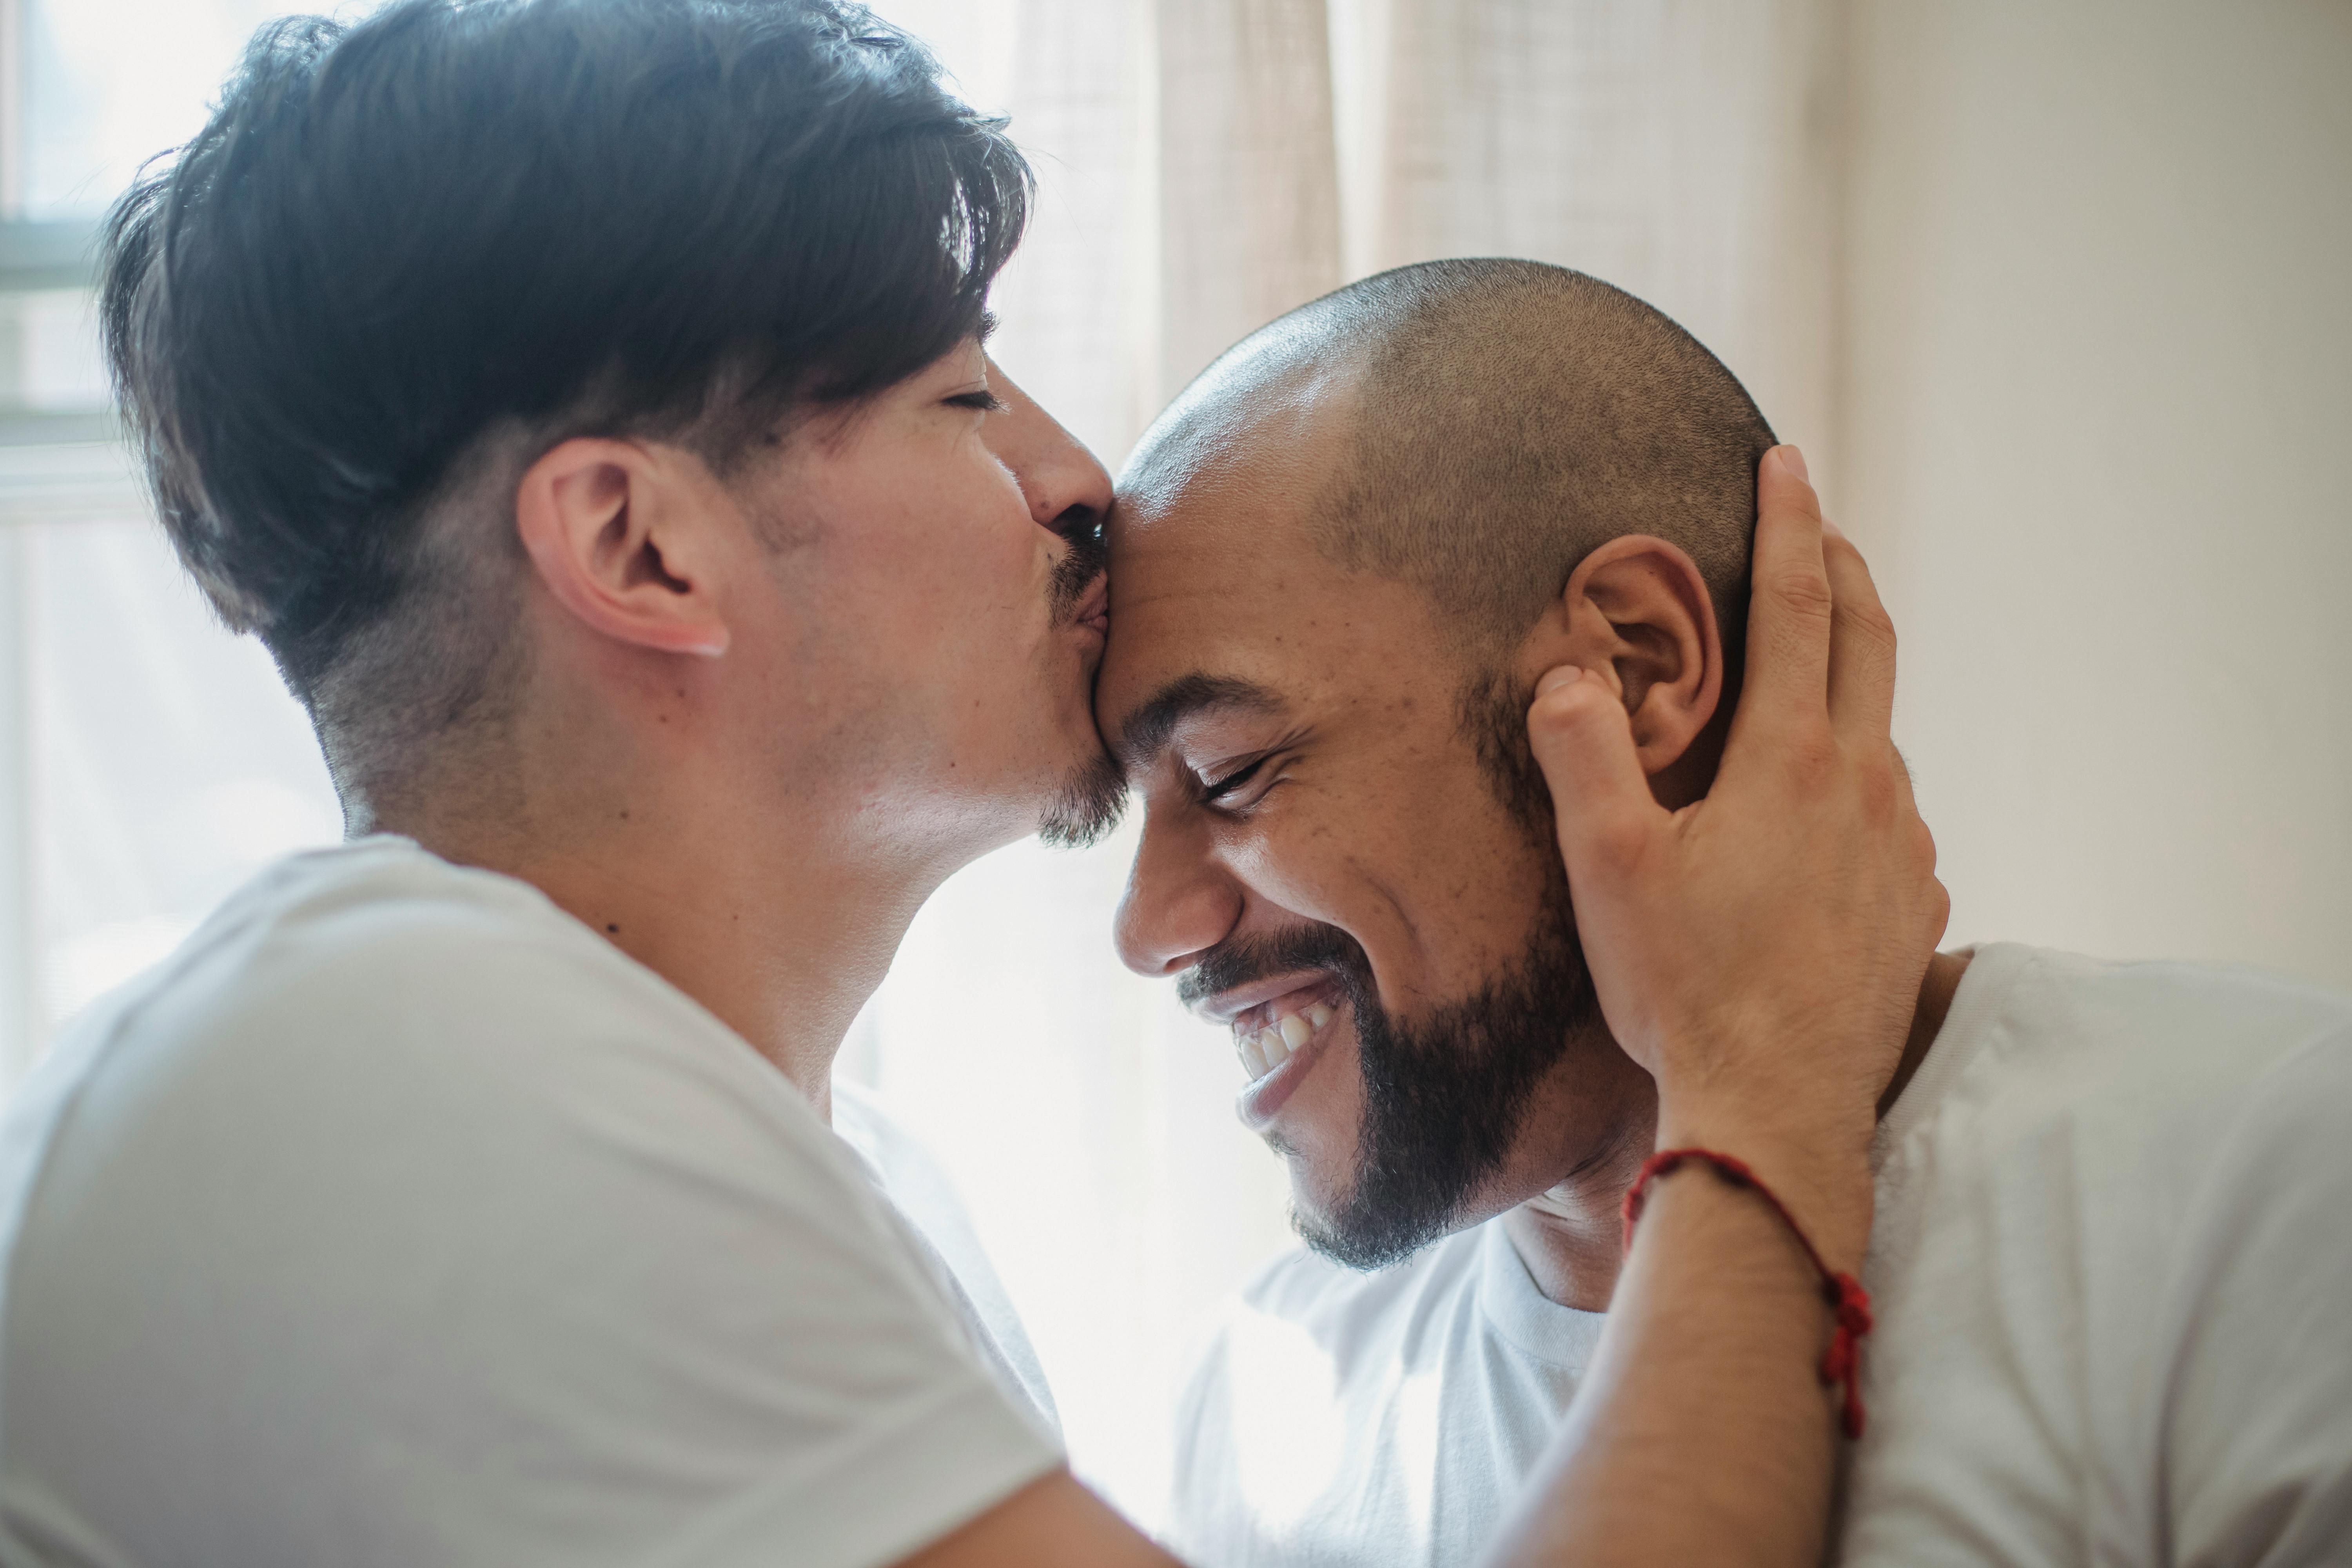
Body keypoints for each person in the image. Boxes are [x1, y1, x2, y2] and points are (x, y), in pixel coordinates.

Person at [0, 4, 1945, 1566]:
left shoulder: (844, 1204)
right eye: (963, 401)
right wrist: (1762, 1076)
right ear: (643, 547)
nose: (1083, 479)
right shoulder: (404, 1076)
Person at [1100, 256, 2352, 1568]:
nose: (1148, 928)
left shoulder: (2271, 1193)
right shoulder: (1261, 1417)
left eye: (1233, 772)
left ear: (1633, 669)